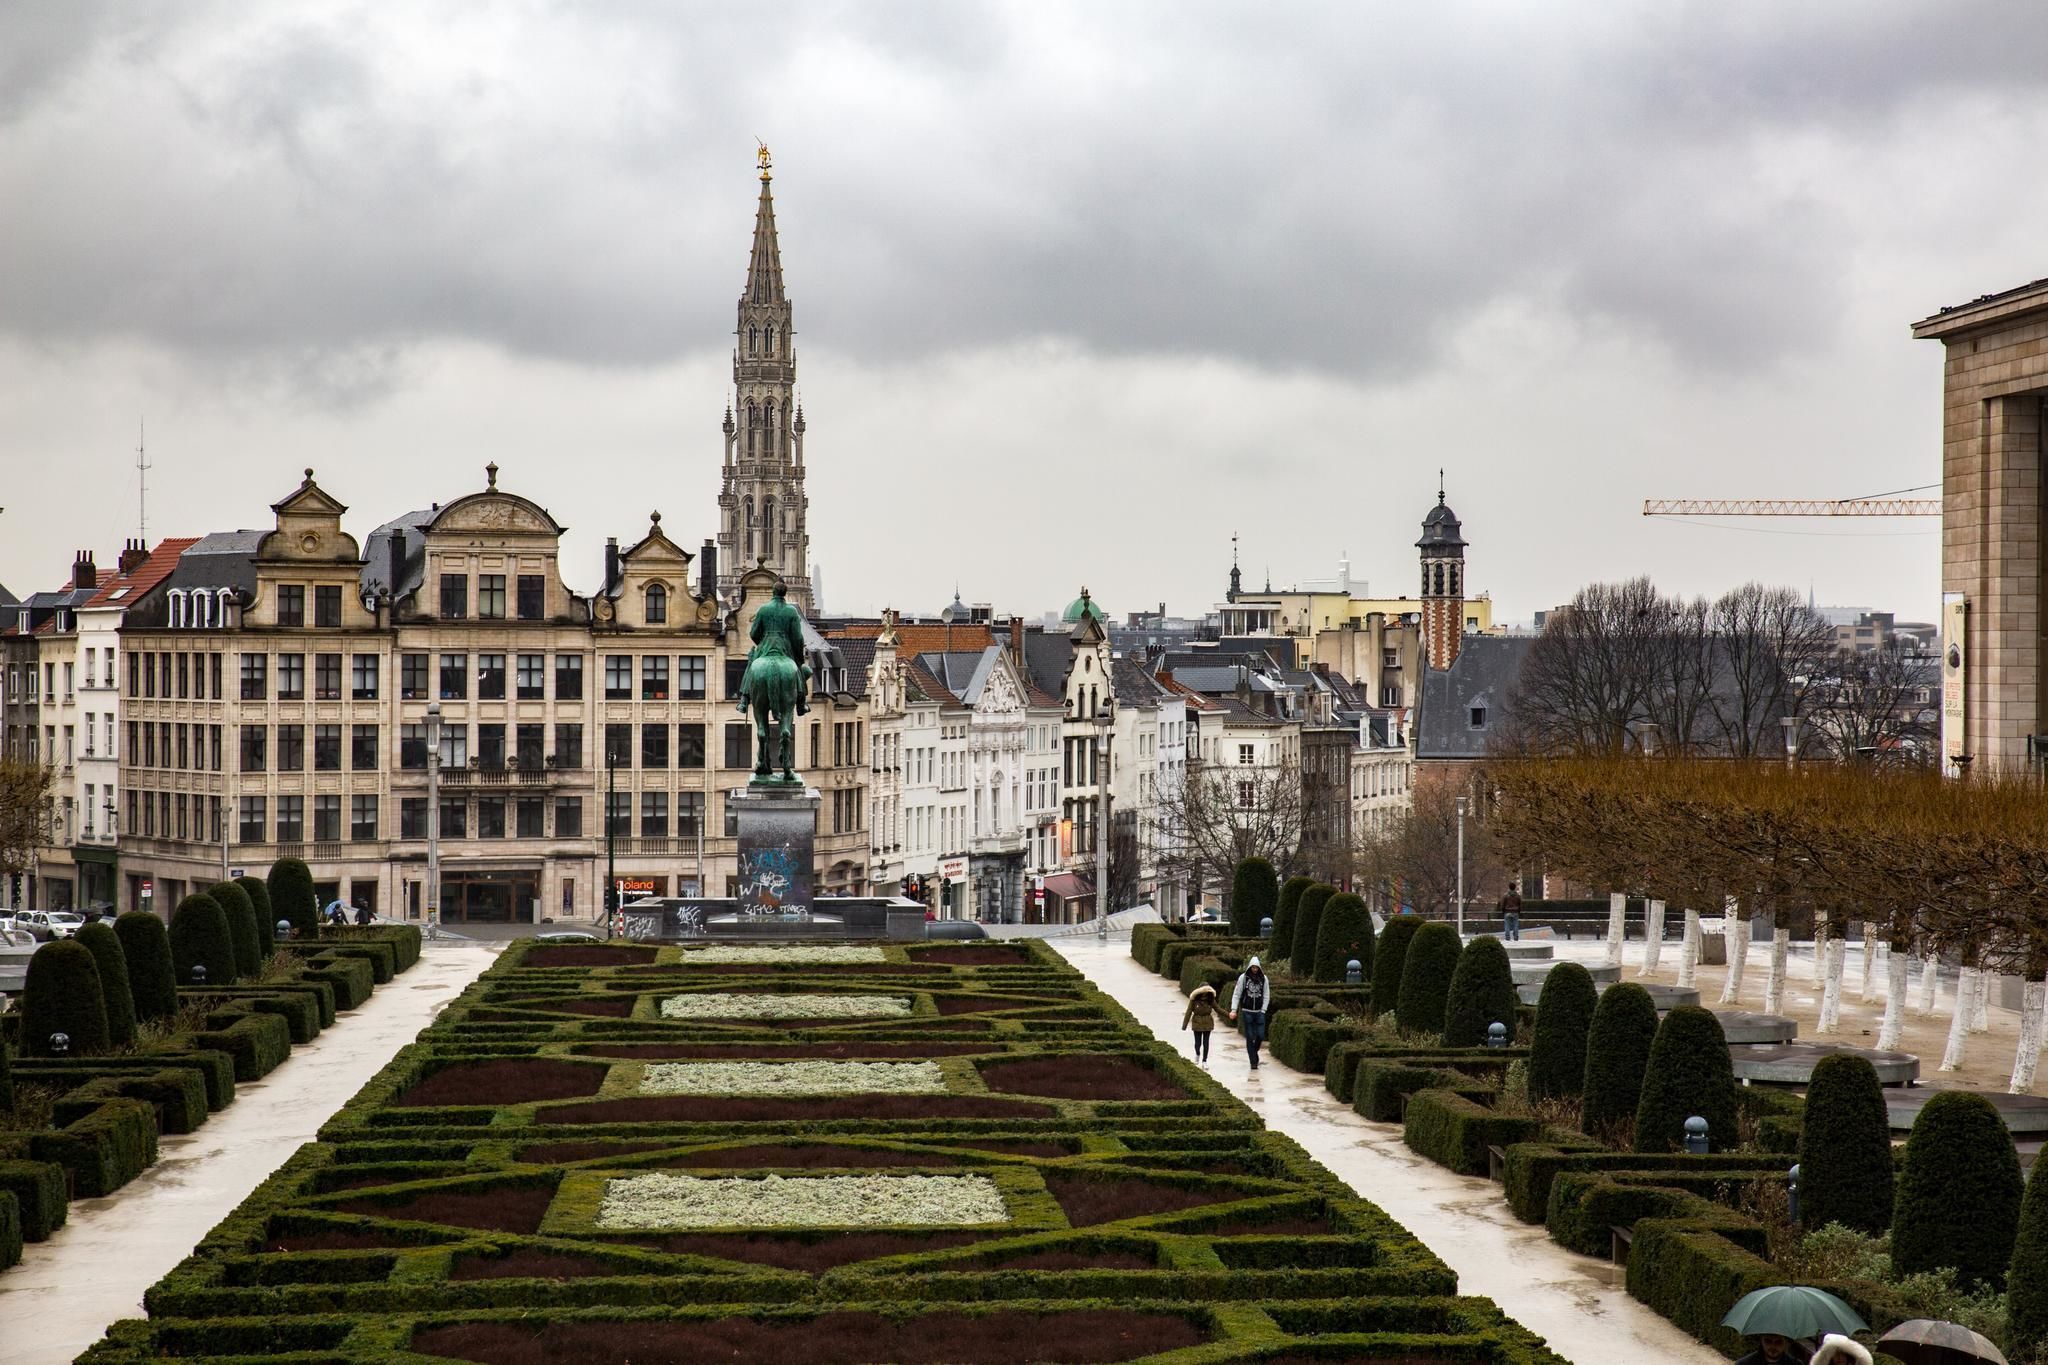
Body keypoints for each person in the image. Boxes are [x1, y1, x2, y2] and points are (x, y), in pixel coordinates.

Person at [1228, 956, 1271, 1071]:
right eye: (1253, 967)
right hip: (1247, 1012)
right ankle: (1253, 1061)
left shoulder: (1264, 978)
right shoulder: (1244, 977)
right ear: (1250, 967)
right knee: (1250, 1037)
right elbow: (1237, 994)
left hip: (1259, 1012)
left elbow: (1266, 994)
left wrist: (1263, 1010)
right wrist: (1233, 1009)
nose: (1255, 969)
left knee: (1261, 1036)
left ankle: (1253, 1052)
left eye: (1257, 967)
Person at [1182, 981, 1219, 1065]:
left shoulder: (1211, 999)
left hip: (1207, 1023)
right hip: (1197, 1023)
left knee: (1206, 1043)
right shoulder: (1194, 1000)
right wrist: (1184, 1025)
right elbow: (1189, 1012)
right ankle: (1197, 1054)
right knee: (1197, 1043)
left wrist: (1229, 1015)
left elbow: (1218, 1009)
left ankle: (1204, 1060)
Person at [1735, 1333, 1812, 1365]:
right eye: (1768, 1341)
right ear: (1761, 1340)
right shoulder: (1744, 1364)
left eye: (1778, 1342)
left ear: (1785, 1342)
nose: (1773, 1346)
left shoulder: (1796, 1364)